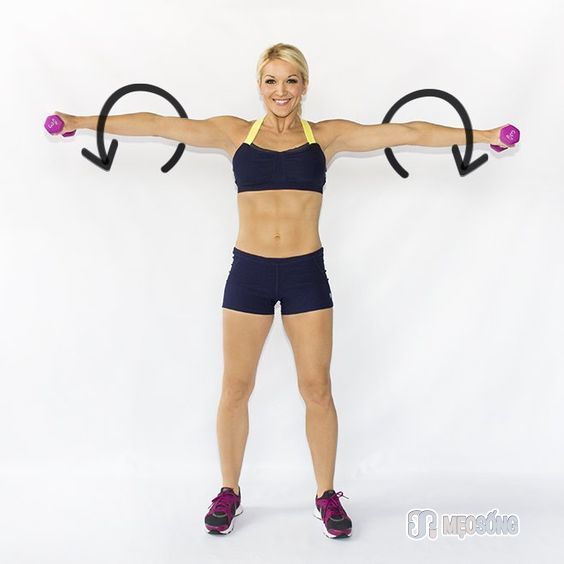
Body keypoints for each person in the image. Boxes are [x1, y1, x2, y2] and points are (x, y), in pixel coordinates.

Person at [53, 42, 515, 540]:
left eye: (291, 80)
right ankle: (228, 491)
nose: (281, 90)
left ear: (304, 85)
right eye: (272, 81)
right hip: (249, 274)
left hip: (304, 275)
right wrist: (78, 121)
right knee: (236, 388)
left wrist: (486, 135)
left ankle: (326, 494)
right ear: (259, 86)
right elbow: (156, 124)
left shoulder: (326, 137)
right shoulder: (234, 133)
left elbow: (410, 132)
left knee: (317, 388)